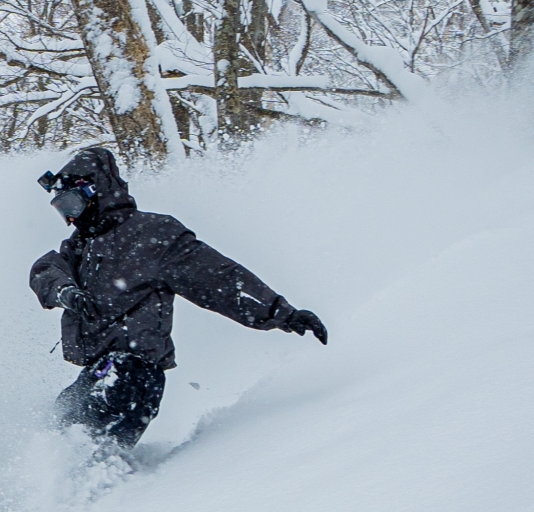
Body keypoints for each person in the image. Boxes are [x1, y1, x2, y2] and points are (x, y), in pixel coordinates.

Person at [29, 146, 327, 449]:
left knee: (88, 438)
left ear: (95, 193)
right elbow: (45, 271)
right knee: (58, 424)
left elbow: (220, 279)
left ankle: (92, 481)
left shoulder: (153, 235)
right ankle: (35, 486)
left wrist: (281, 313)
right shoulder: (82, 246)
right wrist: (65, 291)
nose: (70, 219)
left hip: (132, 373)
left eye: (72, 206)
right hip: (97, 371)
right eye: (61, 210)